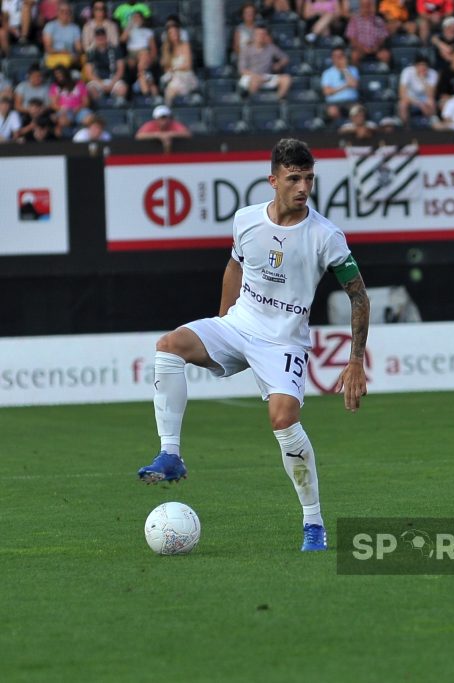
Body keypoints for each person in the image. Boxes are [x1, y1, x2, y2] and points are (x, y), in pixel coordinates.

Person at [136, 139, 370, 554]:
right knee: (169, 345)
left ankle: (313, 523)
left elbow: (358, 296)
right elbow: (234, 264)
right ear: (273, 179)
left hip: (283, 341)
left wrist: (355, 361)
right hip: (240, 324)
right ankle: (170, 454)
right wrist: (224, 322)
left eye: (309, 179)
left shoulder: (325, 236)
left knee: (283, 421)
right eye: (294, 178)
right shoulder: (245, 220)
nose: (303, 187)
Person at [239, 25, 294, 99]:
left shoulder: (271, 47)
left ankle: (276, 102)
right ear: (254, 36)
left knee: (286, 79)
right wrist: (255, 76)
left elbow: (285, 58)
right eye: (258, 34)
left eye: (263, 34)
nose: (261, 36)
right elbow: (242, 70)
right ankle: (252, 105)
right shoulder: (246, 49)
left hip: (266, 76)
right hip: (251, 77)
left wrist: (279, 65)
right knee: (255, 81)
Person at [83, 27, 128, 103]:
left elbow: (120, 70)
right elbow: (89, 74)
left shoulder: (115, 50)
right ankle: (99, 108)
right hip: (97, 80)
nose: (100, 39)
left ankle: (117, 107)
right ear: (95, 38)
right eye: (98, 37)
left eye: (102, 37)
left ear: (106, 37)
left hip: (113, 79)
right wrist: (101, 84)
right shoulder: (91, 53)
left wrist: (112, 83)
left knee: (122, 89)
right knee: (91, 90)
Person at [159, 21, 198, 103]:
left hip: (186, 76)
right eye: (171, 33)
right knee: (170, 85)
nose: (174, 35)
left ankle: (170, 108)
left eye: (176, 32)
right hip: (172, 77)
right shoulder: (166, 48)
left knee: (173, 87)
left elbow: (188, 65)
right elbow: (166, 67)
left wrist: (174, 69)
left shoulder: (185, 45)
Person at [321, 46, 361, 122]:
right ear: (332, 58)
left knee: (357, 110)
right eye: (336, 56)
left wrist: (344, 69)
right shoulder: (327, 73)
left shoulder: (353, 69)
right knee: (332, 111)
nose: (338, 58)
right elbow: (327, 92)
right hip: (333, 103)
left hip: (351, 101)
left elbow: (354, 85)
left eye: (340, 56)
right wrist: (346, 85)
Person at [398, 54, 439, 125]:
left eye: (424, 65)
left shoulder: (433, 73)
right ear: (415, 66)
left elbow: (431, 95)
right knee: (402, 104)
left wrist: (423, 80)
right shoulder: (407, 71)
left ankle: (431, 125)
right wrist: (420, 105)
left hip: (425, 98)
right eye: (420, 65)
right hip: (410, 98)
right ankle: (405, 127)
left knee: (431, 102)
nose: (422, 67)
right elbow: (402, 93)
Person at [42, 2, 82, 70]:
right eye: (62, 11)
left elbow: (78, 48)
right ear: (57, 12)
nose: (65, 14)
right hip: (53, 56)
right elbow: (48, 48)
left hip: (69, 57)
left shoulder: (75, 28)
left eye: (67, 12)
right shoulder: (50, 26)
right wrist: (61, 51)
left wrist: (77, 55)